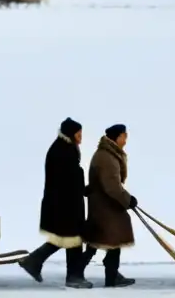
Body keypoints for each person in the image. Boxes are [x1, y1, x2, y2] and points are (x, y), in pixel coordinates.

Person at [18, 117, 92, 288]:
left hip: (63, 203)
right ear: (70, 134)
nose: (81, 137)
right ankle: (74, 276)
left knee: (65, 238)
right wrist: (83, 189)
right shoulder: (64, 151)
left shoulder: (63, 148)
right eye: (78, 134)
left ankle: (33, 261)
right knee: (72, 239)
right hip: (65, 204)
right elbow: (70, 179)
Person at [82, 124, 137, 288]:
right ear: (117, 136)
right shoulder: (107, 157)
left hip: (104, 205)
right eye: (124, 135)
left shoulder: (107, 154)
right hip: (106, 206)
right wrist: (127, 200)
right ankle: (81, 273)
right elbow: (112, 185)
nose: (126, 139)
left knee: (104, 241)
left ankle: (112, 275)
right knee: (110, 239)